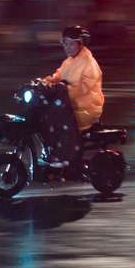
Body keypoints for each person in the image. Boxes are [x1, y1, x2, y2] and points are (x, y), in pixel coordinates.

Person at [39, 26, 105, 167]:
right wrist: (44, 82)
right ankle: (52, 151)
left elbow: (83, 88)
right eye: (65, 43)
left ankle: (66, 156)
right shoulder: (69, 62)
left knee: (60, 117)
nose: (67, 47)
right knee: (44, 115)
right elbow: (58, 76)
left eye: (71, 43)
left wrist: (62, 89)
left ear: (80, 44)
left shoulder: (89, 64)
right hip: (69, 102)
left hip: (86, 107)